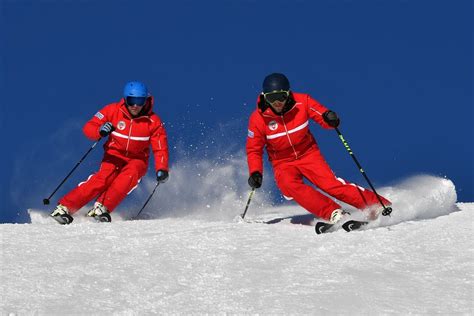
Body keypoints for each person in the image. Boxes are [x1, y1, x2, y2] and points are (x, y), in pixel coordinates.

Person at [246, 73, 391, 224]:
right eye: (271, 98)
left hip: (308, 154)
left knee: (329, 184)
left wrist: (330, 118)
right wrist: (255, 172)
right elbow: (254, 149)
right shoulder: (258, 119)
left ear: (288, 94)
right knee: (288, 185)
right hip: (282, 162)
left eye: (281, 97)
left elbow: (322, 115)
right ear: (264, 97)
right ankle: (333, 212)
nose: (277, 102)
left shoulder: (302, 102)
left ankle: (375, 204)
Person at [50, 81, 170, 224]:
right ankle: (64, 207)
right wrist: (99, 130)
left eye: (140, 101)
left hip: (137, 159)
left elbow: (160, 147)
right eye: (132, 101)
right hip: (114, 155)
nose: (135, 106)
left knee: (129, 175)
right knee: (103, 178)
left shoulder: (153, 121)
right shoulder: (112, 110)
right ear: (125, 99)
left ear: (146, 100)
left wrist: (162, 168)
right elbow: (89, 127)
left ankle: (101, 208)